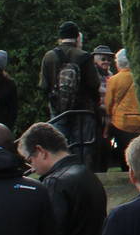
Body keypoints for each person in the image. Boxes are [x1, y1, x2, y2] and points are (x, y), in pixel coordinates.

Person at [40, 22, 98, 163]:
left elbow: (43, 86)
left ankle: (61, 173)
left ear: (60, 37)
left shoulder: (49, 56)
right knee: (82, 147)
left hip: (58, 110)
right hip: (82, 110)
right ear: (77, 36)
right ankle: (80, 174)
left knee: (58, 146)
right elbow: (94, 83)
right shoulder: (84, 56)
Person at [105, 49, 140, 166]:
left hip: (121, 123)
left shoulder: (114, 80)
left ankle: (125, 170)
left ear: (118, 63)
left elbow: (108, 104)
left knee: (123, 151)